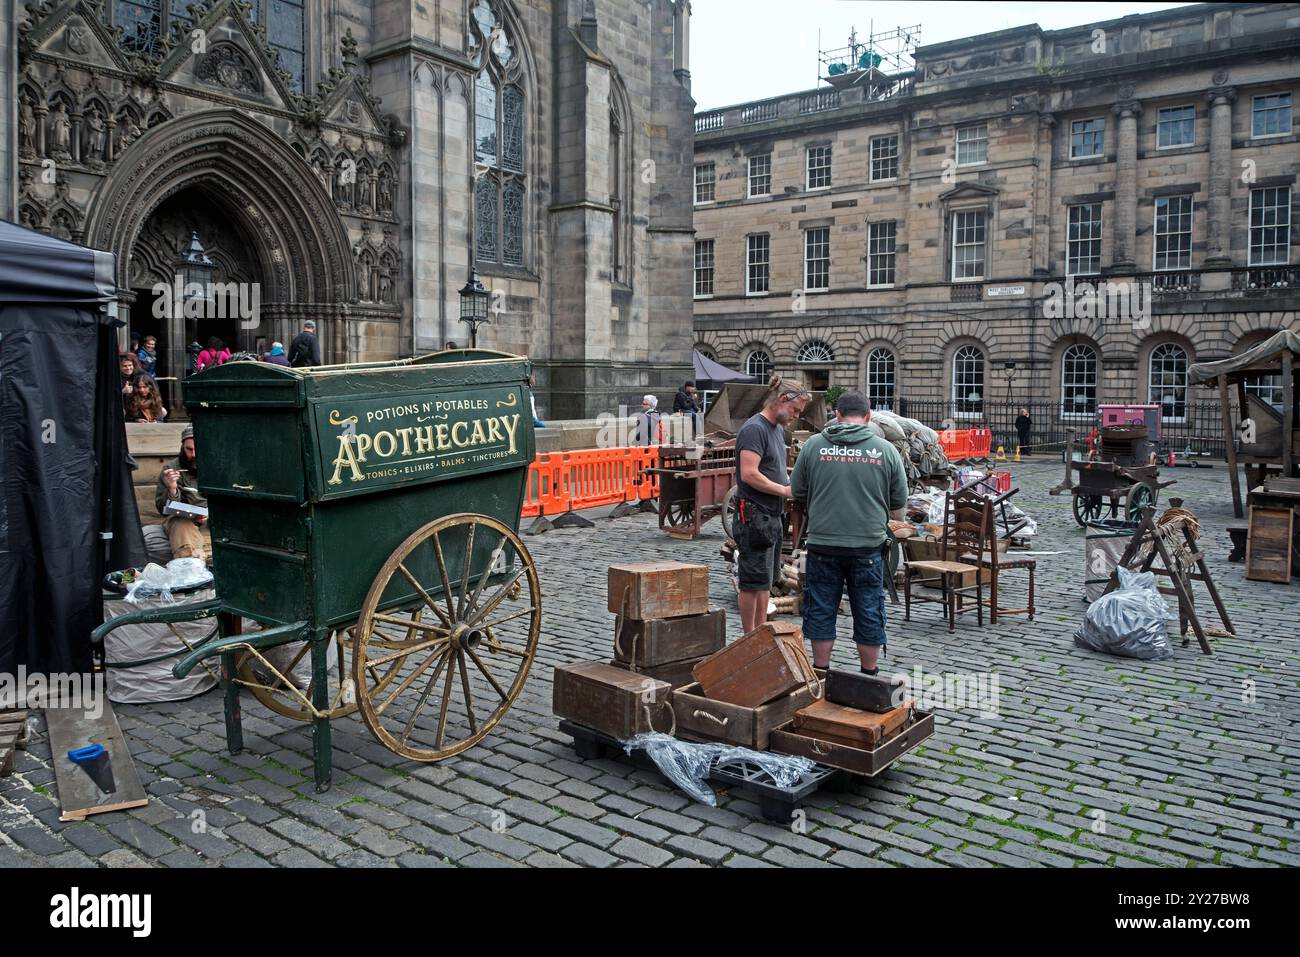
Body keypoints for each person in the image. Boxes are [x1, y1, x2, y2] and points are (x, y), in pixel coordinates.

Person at [790, 390, 908, 675]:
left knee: (820, 608)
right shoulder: (885, 450)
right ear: (868, 417)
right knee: (868, 609)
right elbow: (898, 505)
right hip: (867, 546)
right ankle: (869, 675)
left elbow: (797, 491)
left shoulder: (814, 446)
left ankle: (821, 672)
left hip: (823, 543)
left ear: (837, 416)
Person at [734, 376, 810, 635]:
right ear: (782, 400)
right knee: (751, 581)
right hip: (754, 515)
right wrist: (785, 490)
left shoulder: (776, 430)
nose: (796, 416)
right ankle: (749, 637)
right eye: (795, 409)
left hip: (771, 515)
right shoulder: (754, 429)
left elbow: (773, 469)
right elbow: (749, 473)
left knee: (765, 581)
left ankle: (761, 632)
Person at [155, 426, 209, 561]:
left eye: (198, 449)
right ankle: (189, 565)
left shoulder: (216, 465)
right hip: (184, 521)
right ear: (182, 447)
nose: (194, 454)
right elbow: (162, 508)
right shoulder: (170, 469)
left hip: (211, 521)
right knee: (181, 524)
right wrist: (172, 489)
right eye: (189, 449)